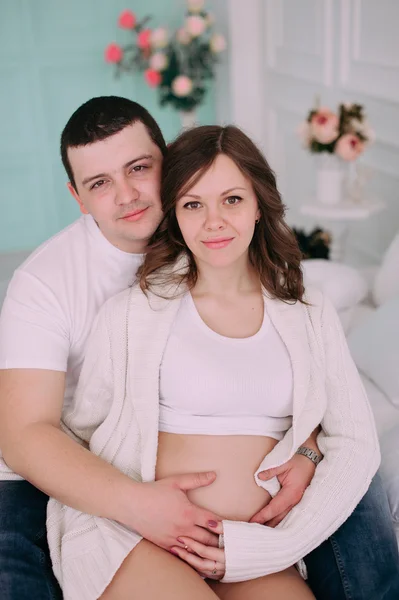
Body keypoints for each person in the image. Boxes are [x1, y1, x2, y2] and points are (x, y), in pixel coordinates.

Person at [0, 97, 397, 600]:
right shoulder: (104, 300)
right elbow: (56, 432)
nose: (126, 194)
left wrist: (308, 447)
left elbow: (351, 435)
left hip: (254, 544)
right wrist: (137, 507)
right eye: (100, 183)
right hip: (133, 526)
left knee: (364, 514)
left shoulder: (307, 308)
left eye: (139, 169)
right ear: (78, 195)